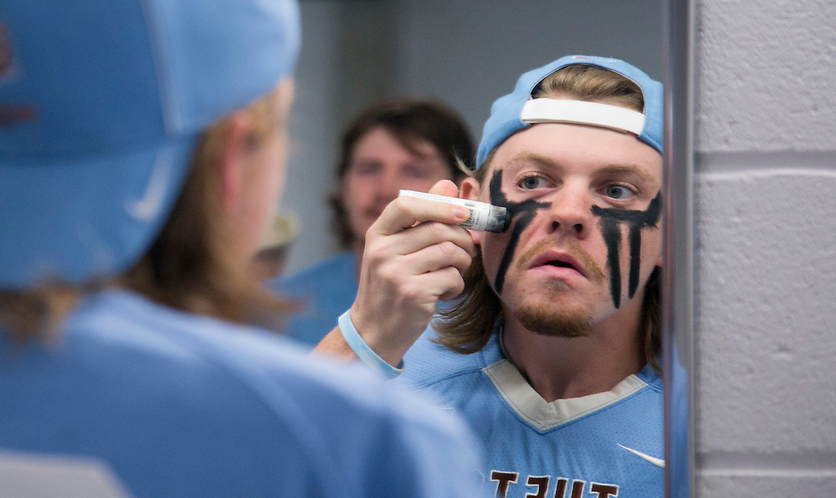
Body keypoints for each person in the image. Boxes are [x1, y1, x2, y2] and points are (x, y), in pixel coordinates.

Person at [0, 1, 485, 497]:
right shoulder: (366, 446)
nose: (386, 188)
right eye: (368, 168)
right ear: (230, 163)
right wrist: (366, 341)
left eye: (411, 167)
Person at [316, 55, 665, 498]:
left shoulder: (710, 425)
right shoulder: (392, 390)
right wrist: (363, 337)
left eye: (617, 191)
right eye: (535, 181)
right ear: (472, 209)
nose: (568, 213)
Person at [271, 99, 474, 346]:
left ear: (463, 193)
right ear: (342, 184)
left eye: (414, 171)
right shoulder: (274, 308)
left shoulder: (494, 310)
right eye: (369, 169)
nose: (385, 190)